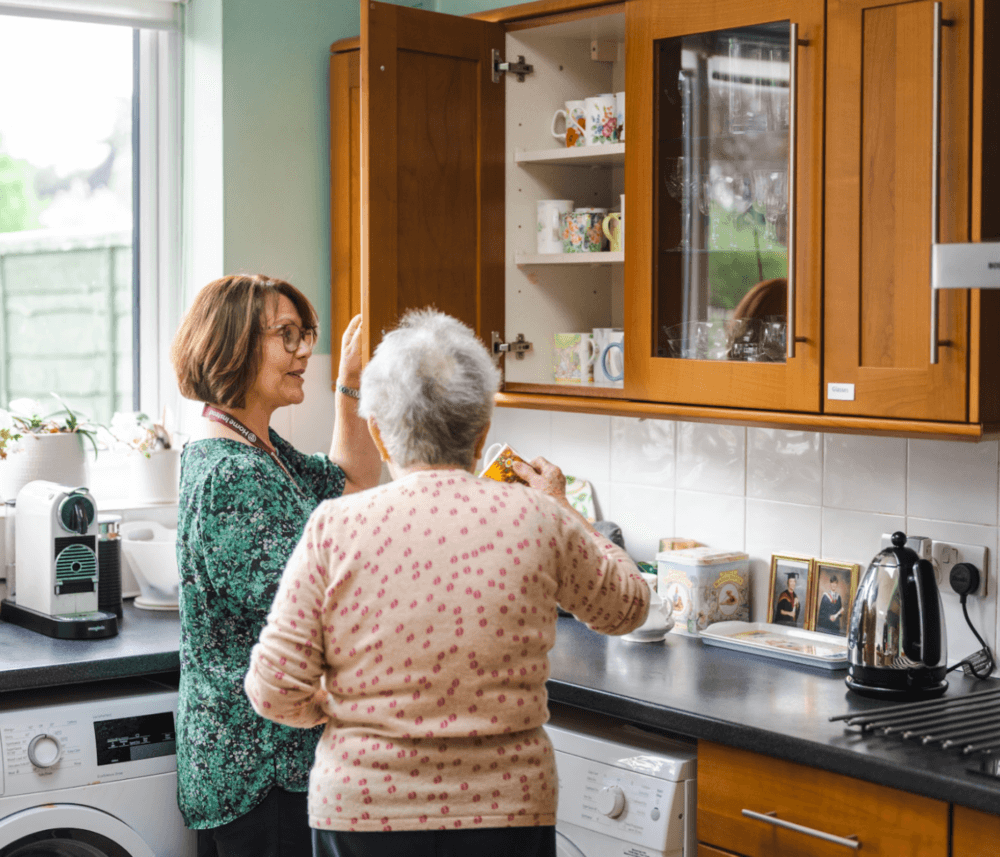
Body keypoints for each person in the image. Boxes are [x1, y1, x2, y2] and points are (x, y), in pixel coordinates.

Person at [244, 308, 650, 857]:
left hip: (363, 808)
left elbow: (273, 689)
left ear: (380, 437)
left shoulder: (335, 528)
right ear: (483, 433)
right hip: (505, 811)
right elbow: (627, 607)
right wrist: (566, 507)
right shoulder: (539, 518)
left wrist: (348, 707)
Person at [170, 274, 381, 856]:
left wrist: (351, 386)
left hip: (268, 764)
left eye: (305, 334)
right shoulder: (233, 476)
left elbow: (354, 480)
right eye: (285, 336)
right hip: (259, 772)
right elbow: (316, 621)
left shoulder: (257, 448)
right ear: (233, 344)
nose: (302, 351)